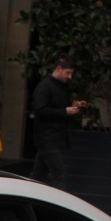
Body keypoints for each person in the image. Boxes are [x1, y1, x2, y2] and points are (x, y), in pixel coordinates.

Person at [30, 56, 86, 189]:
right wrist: (65, 112)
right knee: (58, 171)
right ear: (59, 69)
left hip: (53, 137)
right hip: (46, 137)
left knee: (39, 173)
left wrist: (73, 106)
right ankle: (59, 204)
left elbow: (58, 107)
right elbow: (40, 110)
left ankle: (27, 195)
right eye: (68, 72)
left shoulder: (60, 87)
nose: (70, 76)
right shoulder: (44, 87)